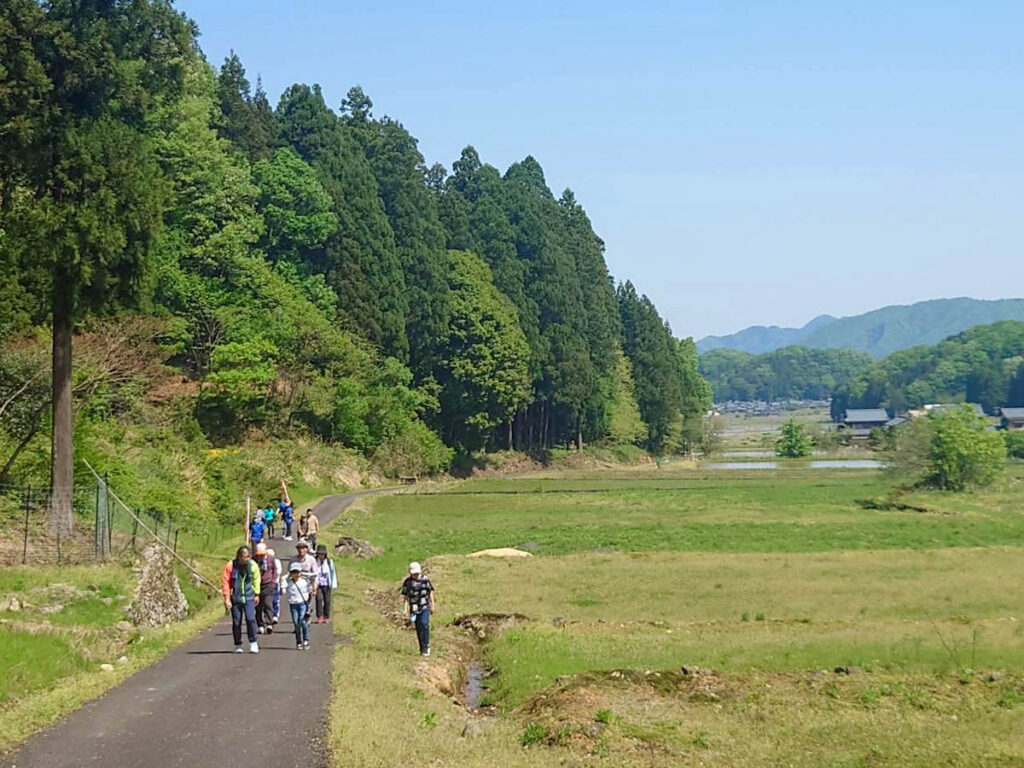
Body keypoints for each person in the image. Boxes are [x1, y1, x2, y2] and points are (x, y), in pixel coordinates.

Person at [221, 546, 261, 653]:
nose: (246, 559)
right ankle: (238, 644)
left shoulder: (253, 565)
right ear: (239, 556)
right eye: (244, 557)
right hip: (236, 598)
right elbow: (225, 582)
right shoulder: (230, 566)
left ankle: (253, 642)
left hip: (249, 597)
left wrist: (257, 594)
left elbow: (256, 579)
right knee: (237, 622)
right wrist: (227, 598)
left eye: (248, 556)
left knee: (250, 619)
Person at [401, 561, 434, 657]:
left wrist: (432, 605)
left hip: (425, 606)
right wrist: (405, 609)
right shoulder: (407, 582)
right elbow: (406, 597)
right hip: (414, 608)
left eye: (417, 574)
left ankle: (427, 645)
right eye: (414, 574)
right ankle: (422, 648)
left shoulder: (425, 580)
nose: (415, 575)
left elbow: (430, 592)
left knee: (424, 624)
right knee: (418, 628)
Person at [286, 562, 312, 649]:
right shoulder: (289, 583)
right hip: (293, 605)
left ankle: (306, 639)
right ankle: (298, 642)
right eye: (294, 572)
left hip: (302, 604)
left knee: (302, 621)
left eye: (297, 572)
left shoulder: (304, 582)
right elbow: (283, 581)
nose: (296, 574)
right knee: (296, 623)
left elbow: (310, 590)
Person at [253, 542, 278, 634]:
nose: (261, 556)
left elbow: (275, 570)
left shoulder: (271, 559)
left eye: (262, 554)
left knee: (268, 604)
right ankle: (260, 624)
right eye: (259, 554)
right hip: (257, 586)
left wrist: (273, 581)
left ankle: (269, 623)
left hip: (268, 585)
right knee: (258, 606)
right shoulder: (254, 560)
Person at [314, 544, 337, 623]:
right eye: (320, 554)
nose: (321, 556)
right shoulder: (315, 561)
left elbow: (332, 572)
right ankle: (319, 616)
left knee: (327, 601)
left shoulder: (329, 562)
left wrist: (333, 584)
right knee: (319, 599)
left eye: (322, 554)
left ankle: (326, 616)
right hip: (318, 584)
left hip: (327, 584)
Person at [267, 547, 282, 624]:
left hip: (275, 583)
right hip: (266, 584)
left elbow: (278, 572)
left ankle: (275, 615)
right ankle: (268, 615)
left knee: (275, 600)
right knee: (267, 601)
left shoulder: (277, 562)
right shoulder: (264, 561)